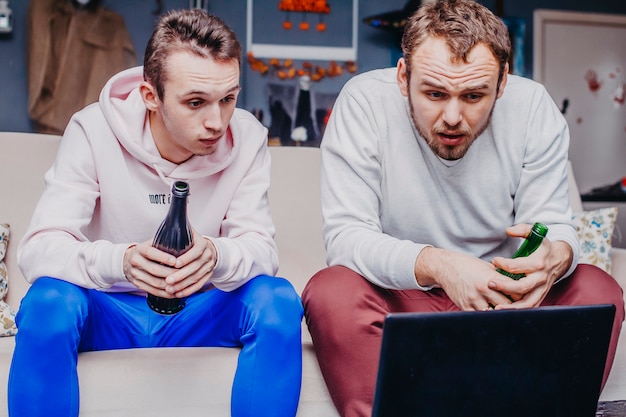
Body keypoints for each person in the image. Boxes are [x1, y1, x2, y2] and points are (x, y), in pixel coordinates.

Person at [302, 1, 625, 416]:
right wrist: (442, 266)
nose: (452, 117)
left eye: (473, 95)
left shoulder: (533, 107)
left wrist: (558, 255)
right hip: (405, 296)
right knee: (331, 291)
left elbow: (553, 224)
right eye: (434, 93)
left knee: (597, 289)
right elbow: (347, 238)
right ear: (404, 77)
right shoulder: (364, 102)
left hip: (505, 299)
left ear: (503, 82)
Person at [9, 9, 303, 417]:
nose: (217, 121)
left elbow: (261, 249)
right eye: (195, 102)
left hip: (198, 313)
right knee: (47, 302)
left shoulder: (248, 137)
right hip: (108, 310)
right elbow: (39, 250)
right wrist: (121, 261)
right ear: (150, 96)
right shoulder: (93, 130)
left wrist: (217, 255)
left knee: (278, 299)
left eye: (229, 99)